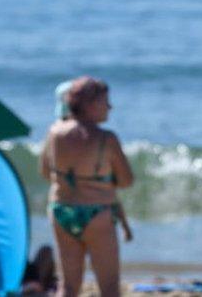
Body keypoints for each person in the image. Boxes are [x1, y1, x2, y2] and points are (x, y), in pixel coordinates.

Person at [39, 77, 134, 297]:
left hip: (61, 209)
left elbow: (45, 172)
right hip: (97, 213)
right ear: (90, 105)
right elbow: (126, 180)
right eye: (105, 101)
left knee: (68, 285)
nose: (110, 106)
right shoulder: (106, 138)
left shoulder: (54, 133)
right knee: (109, 286)